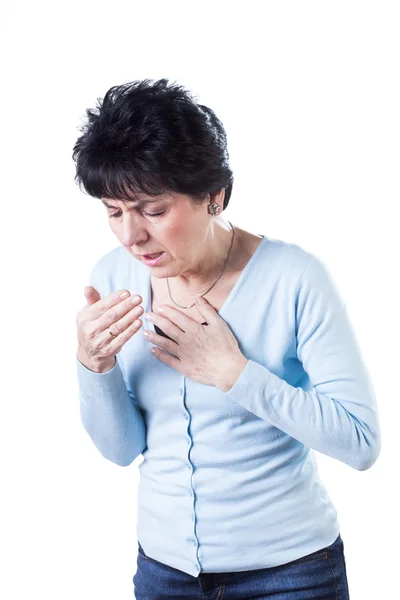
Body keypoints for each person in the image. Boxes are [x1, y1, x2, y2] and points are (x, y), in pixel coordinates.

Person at [73, 78, 380, 599]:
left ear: (214, 195)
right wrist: (93, 366)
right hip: (162, 572)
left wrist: (234, 374)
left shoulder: (294, 278)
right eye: (113, 211)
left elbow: (360, 443)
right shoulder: (114, 277)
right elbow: (122, 450)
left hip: (292, 575)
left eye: (153, 210)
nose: (131, 236)